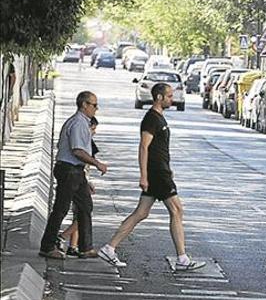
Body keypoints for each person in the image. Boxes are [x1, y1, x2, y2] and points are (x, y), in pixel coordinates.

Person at [99, 83, 205, 271]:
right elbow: (143, 147)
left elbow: (160, 149)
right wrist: (144, 176)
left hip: (161, 171)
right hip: (157, 173)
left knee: (141, 213)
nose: (172, 99)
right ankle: (182, 259)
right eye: (169, 96)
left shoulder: (159, 118)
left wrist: (168, 168)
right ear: (159, 98)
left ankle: (109, 248)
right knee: (177, 210)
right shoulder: (151, 119)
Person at [39, 91, 107, 259]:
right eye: (94, 105)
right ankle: (47, 246)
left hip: (76, 171)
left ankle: (86, 247)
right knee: (61, 209)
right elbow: (77, 150)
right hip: (69, 169)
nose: (96, 109)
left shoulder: (83, 123)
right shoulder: (77, 123)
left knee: (85, 206)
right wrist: (97, 163)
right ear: (84, 104)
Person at [58, 116, 100, 256]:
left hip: (80, 177)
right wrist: (87, 180)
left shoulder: (85, 139)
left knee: (82, 210)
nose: (93, 133)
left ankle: (75, 245)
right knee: (78, 211)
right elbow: (83, 161)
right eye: (92, 129)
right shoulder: (78, 131)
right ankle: (62, 237)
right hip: (76, 175)